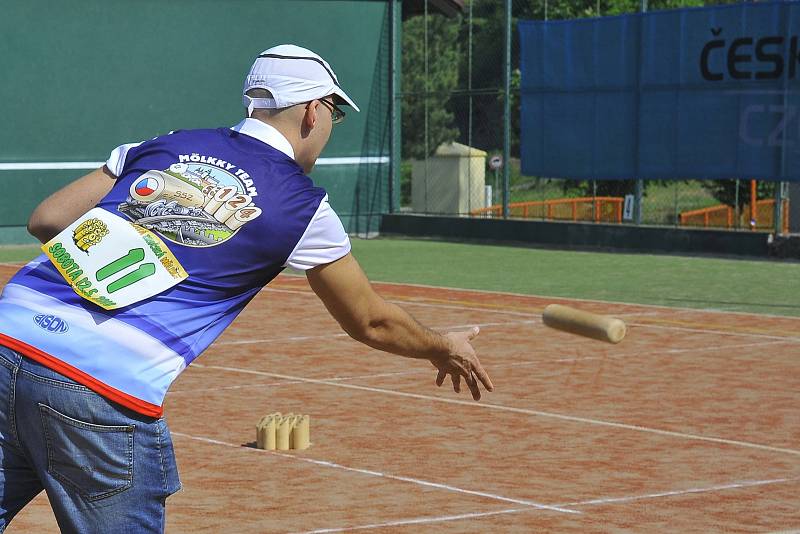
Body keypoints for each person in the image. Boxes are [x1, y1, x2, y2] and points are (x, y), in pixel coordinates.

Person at [0, 44, 492, 533]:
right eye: (333, 113)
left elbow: (47, 220)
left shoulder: (164, 145)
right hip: (100, 385)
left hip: (9, 335)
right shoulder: (302, 205)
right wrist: (440, 345)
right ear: (311, 110)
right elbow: (370, 320)